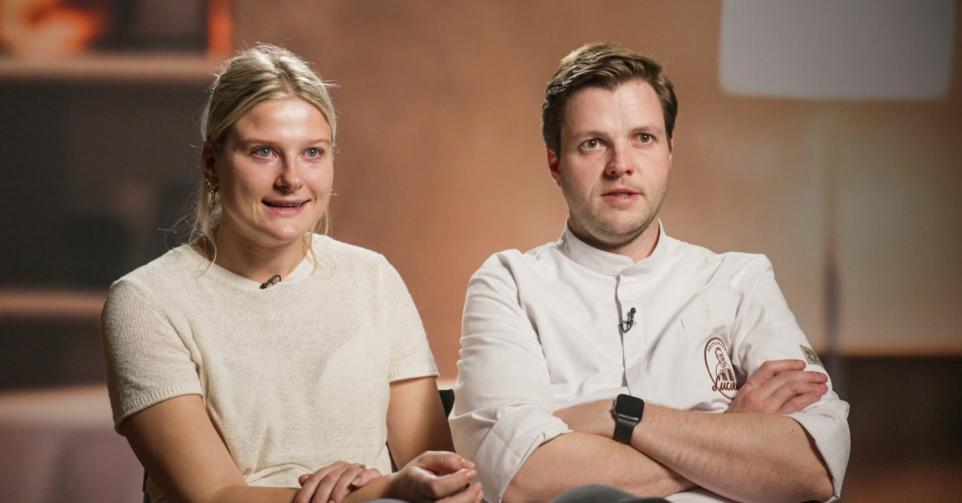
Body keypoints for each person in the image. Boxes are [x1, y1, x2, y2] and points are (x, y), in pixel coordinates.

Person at [450, 43, 850, 502]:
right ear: (555, 164)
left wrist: (617, 415)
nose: (621, 165)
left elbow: (814, 465)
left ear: (669, 152)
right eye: (593, 143)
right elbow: (525, 478)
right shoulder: (509, 284)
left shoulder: (741, 279)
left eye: (643, 138)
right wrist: (728, 438)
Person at [101, 44, 482, 503]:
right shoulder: (146, 301)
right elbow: (215, 496)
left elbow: (436, 468)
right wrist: (380, 490)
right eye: (264, 152)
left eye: (312, 153)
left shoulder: (372, 277)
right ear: (210, 164)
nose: (292, 179)